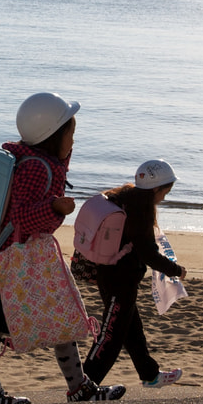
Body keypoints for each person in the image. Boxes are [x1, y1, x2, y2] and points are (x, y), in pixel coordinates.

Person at [0, 92, 125, 404]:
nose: (74, 141)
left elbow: (36, 192)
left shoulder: (36, 161)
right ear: (53, 136)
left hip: (24, 258)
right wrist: (55, 207)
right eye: (71, 134)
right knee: (0, 324)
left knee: (57, 315)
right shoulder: (36, 169)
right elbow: (22, 216)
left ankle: (78, 387)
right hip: (20, 259)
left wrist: (59, 168)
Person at [82, 159, 187, 388]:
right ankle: (85, 383)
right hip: (120, 279)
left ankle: (150, 375)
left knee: (131, 329)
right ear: (157, 189)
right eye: (165, 192)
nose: (165, 197)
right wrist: (176, 270)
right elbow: (148, 253)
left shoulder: (124, 195)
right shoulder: (141, 209)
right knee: (112, 335)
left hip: (108, 272)